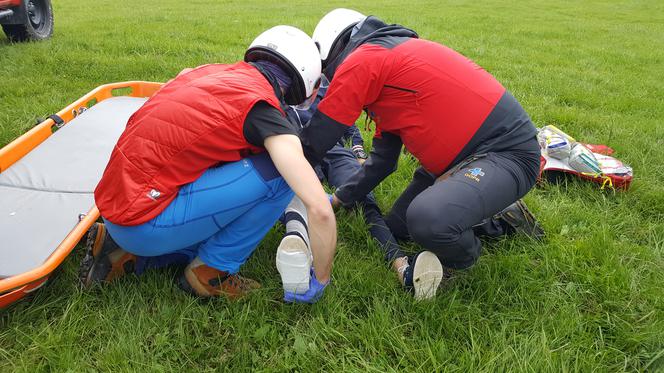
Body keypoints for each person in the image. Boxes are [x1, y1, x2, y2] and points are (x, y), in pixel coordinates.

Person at [79, 26, 336, 303]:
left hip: (115, 204)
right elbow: (320, 210)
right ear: (304, 81)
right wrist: (321, 279)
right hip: (143, 221)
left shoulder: (206, 72)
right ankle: (210, 272)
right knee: (280, 176)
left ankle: (124, 253)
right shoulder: (262, 110)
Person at [299, 9, 545, 293]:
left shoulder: (365, 59)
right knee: (399, 226)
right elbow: (383, 161)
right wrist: (339, 199)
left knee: (428, 220)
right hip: (458, 162)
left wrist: (280, 176)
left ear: (335, 50)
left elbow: (318, 137)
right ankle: (499, 219)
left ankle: (464, 256)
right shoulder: (386, 66)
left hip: (505, 152)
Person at [276, 75, 443, 300]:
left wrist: (359, 152)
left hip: (334, 152)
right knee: (296, 193)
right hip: (298, 154)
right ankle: (297, 245)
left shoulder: (324, 89)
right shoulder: (277, 97)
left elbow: (348, 126)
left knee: (362, 197)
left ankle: (402, 267)